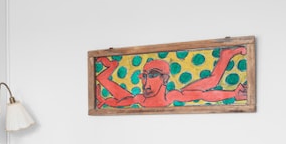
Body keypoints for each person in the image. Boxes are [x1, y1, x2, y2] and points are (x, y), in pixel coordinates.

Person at [95, 46, 247, 108]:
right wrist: (105, 101)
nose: (145, 81)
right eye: (144, 76)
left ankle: (225, 56)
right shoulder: (139, 99)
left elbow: (205, 96)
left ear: (165, 79)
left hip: (173, 93)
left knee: (212, 82)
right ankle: (113, 65)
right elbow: (119, 102)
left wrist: (233, 94)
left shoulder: (172, 96)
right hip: (129, 96)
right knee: (211, 81)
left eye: (153, 75)